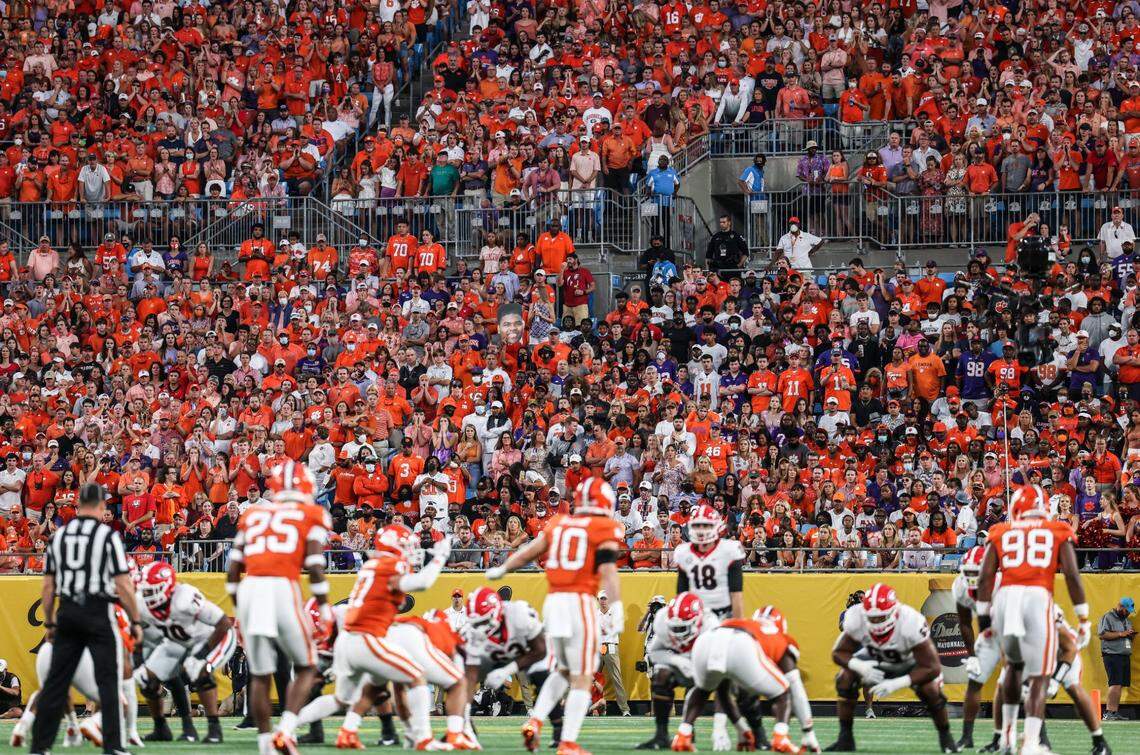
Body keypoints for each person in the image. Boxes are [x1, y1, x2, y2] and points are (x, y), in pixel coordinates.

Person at [487, 477, 624, 755]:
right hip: (580, 602)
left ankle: (535, 721)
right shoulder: (604, 527)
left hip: (554, 602)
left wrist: (502, 570)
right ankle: (568, 742)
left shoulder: (559, 523)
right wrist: (618, 606)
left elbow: (528, 553)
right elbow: (609, 572)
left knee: (562, 669)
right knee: (583, 675)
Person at [292, 524, 458, 750]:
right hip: (365, 638)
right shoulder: (391, 564)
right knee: (417, 677)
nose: (411, 549)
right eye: (406, 545)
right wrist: (440, 557)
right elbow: (421, 583)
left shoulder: (372, 565)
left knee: (342, 698)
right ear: (394, 546)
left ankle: (287, 727)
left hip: (348, 640)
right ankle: (423, 738)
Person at [225, 461, 332, 755]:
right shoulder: (311, 513)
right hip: (281, 588)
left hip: (249, 589)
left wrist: (239, 608)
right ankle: (285, 730)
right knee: (308, 664)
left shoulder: (254, 514)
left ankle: (264, 745)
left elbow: (232, 571)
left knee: (260, 674)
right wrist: (323, 607)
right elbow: (313, 566)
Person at [976, 485, 1092, 755]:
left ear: (1016, 508)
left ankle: (1006, 738)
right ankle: (1030, 743)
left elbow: (985, 578)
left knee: (1013, 669)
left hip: (1006, 597)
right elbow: (1073, 576)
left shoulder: (1000, 531)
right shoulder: (1057, 530)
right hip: (1039, 597)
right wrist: (1083, 616)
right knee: (1039, 677)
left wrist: (983, 619)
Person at [29, 482, 143, 755]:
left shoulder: (59, 537)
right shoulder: (107, 536)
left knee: (56, 682)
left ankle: (40, 746)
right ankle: (113, 746)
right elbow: (124, 584)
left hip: (68, 611)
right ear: (102, 505)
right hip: (98, 611)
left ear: (78, 504)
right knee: (108, 680)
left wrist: (50, 622)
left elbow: (48, 586)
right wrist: (135, 620)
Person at [828, 583, 959, 753]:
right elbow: (839, 652)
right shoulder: (855, 615)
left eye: (881, 617)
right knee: (845, 678)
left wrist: (897, 683)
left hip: (907, 660)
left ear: (893, 611)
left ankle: (946, 738)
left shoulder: (911, 620)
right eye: (871, 617)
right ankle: (845, 738)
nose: (875, 621)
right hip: (874, 657)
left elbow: (932, 667)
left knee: (931, 690)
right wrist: (859, 666)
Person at [134, 561, 237, 744]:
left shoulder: (185, 598)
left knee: (198, 669)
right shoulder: (141, 604)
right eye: (146, 590)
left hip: (212, 637)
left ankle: (214, 729)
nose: (147, 594)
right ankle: (161, 728)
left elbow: (223, 623)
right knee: (146, 678)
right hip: (179, 642)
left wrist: (202, 653)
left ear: (167, 587)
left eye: (152, 590)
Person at [464, 588, 564, 747]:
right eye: (476, 623)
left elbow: (540, 650)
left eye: (483, 621)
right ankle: (465, 728)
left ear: (496, 612)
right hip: (495, 652)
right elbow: (469, 675)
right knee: (463, 680)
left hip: (528, 651)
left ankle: (559, 730)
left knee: (543, 678)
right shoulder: (472, 634)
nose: (480, 627)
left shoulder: (519, 614)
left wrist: (506, 671)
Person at [953, 547, 1003, 751]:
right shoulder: (959, 586)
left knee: (1020, 683)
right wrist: (971, 655)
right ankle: (966, 736)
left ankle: (1040, 735)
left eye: (977, 572)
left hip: (1013, 631)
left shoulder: (1003, 583)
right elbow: (964, 622)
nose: (972, 577)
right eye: (969, 572)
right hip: (989, 634)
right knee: (974, 681)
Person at [1097, 596, 1135, 721]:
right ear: (1120, 606)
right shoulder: (1107, 617)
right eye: (1127, 610)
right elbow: (1102, 634)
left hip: (1124, 655)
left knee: (1119, 685)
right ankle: (1108, 712)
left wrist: (1130, 635)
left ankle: (1114, 711)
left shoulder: (1126, 620)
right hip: (1112, 655)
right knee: (1115, 684)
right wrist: (1121, 634)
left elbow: (1124, 636)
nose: (1128, 613)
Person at [597, 591, 630, 716]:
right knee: (592, 679)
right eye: (602, 599)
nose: (604, 601)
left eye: (606, 598)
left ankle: (625, 709)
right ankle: (594, 708)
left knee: (617, 679)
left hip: (611, 647)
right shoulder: (595, 614)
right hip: (598, 647)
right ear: (598, 600)